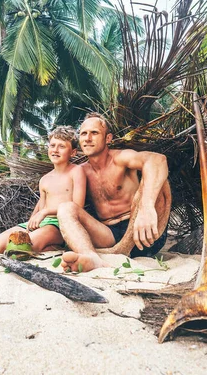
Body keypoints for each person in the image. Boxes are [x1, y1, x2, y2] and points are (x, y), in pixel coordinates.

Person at [57, 113, 171, 272]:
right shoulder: (80, 172)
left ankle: (123, 246)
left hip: (143, 233)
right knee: (65, 209)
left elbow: (158, 160)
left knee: (155, 179)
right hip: (109, 236)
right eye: (83, 133)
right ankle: (91, 257)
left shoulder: (121, 158)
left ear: (108, 138)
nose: (88, 138)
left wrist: (146, 208)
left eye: (94, 133)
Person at [0, 126, 86, 253]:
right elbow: (41, 205)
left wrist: (45, 212)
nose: (55, 150)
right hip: (43, 221)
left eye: (62, 146)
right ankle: (48, 246)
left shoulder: (76, 171)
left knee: (24, 247)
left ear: (73, 152)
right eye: (52, 145)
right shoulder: (45, 179)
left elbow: (78, 206)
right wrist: (31, 223)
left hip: (60, 224)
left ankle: (61, 244)